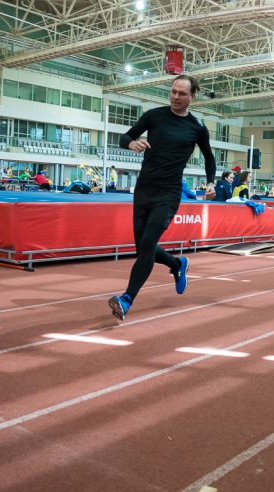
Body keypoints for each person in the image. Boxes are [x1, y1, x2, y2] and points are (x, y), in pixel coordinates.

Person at [108, 74, 216, 321]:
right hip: (143, 190)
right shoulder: (153, 116)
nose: (176, 97)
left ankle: (126, 299)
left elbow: (209, 158)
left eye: (182, 94)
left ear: (192, 96)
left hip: (168, 194)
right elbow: (125, 137)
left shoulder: (197, 127)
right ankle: (177, 265)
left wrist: (211, 183)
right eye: (173, 92)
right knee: (143, 248)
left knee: (147, 245)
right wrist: (131, 144)